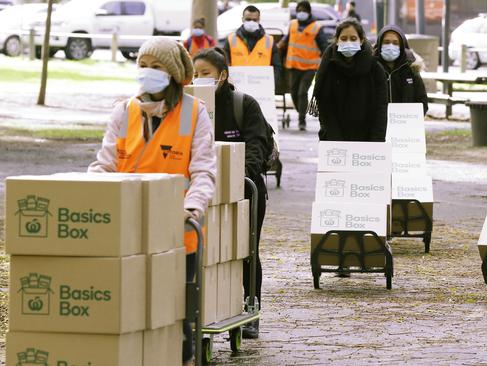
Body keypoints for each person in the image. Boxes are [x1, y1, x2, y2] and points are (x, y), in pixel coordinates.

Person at [88, 37, 216, 366]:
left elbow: (203, 172)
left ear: (172, 73)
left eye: (156, 67)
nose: (147, 73)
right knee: (127, 315)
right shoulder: (124, 111)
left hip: (175, 234)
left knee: (175, 319)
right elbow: (104, 165)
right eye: (143, 66)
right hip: (125, 233)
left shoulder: (194, 113)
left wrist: (193, 208)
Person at [193, 48, 269, 339]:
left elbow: (256, 148)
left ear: (222, 76)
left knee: (246, 251)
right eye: (195, 74)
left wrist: (235, 179)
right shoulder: (188, 107)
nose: (200, 80)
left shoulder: (244, 105)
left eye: (206, 74)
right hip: (200, 192)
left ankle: (251, 309)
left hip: (244, 193)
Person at [309, 18, 388, 142]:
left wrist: (376, 141)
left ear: (361, 40)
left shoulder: (375, 68)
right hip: (333, 137)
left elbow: (381, 108)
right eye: (344, 38)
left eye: (353, 38)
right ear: (336, 40)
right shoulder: (329, 66)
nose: (348, 42)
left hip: (367, 139)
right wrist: (336, 139)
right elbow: (325, 106)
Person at [277, 0, 329, 131]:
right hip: (293, 65)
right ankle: (301, 110)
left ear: (309, 12)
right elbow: (287, 39)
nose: (301, 13)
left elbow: (324, 46)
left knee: (302, 92)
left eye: (304, 11)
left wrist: (326, 62)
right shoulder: (293, 24)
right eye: (299, 10)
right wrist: (279, 45)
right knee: (294, 93)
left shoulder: (316, 27)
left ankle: (301, 120)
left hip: (309, 67)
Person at [374, 25, 428, 114]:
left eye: (395, 43)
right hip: (378, 126)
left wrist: (413, 120)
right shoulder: (372, 68)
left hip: (404, 125)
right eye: (386, 42)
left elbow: (422, 101)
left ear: (402, 45)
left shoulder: (411, 69)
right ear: (380, 44)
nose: (390, 46)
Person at [223, 5, 282, 86]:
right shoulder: (231, 39)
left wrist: (272, 84)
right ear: (242, 19)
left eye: (254, 20)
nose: (251, 22)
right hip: (237, 88)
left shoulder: (269, 40)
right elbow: (224, 65)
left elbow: (277, 67)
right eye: (248, 19)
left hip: (262, 88)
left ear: (259, 20)